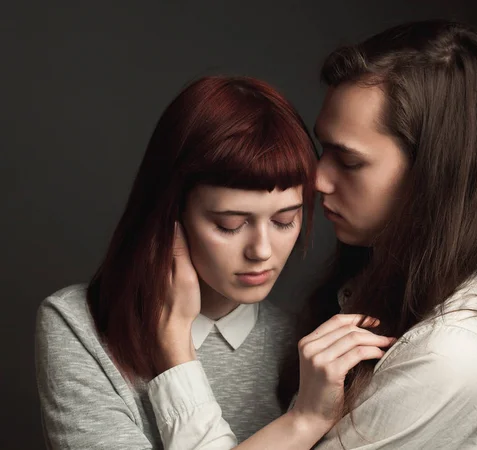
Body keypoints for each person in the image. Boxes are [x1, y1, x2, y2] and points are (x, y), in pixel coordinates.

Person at [160, 19, 477, 449]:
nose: (316, 179)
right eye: (323, 151)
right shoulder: (365, 293)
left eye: (350, 161)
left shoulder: (451, 358)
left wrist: (175, 353)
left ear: (433, 177)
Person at [35, 75, 394, 449]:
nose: (262, 250)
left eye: (285, 220)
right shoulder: (79, 324)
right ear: (170, 213)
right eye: (230, 224)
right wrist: (302, 422)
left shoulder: (308, 348)